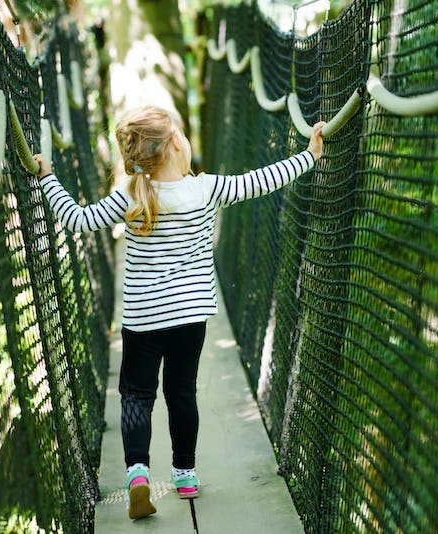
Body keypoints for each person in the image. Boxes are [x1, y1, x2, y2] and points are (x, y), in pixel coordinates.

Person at [33, 106, 325, 520]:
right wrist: (309, 155)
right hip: (190, 318)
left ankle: (137, 474)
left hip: (142, 318)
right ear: (173, 144)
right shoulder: (207, 189)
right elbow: (264, 181)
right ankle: (185, 475)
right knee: (181, 393)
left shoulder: (132, 195)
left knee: (137, 394)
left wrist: (47, 180)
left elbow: (78, 219)